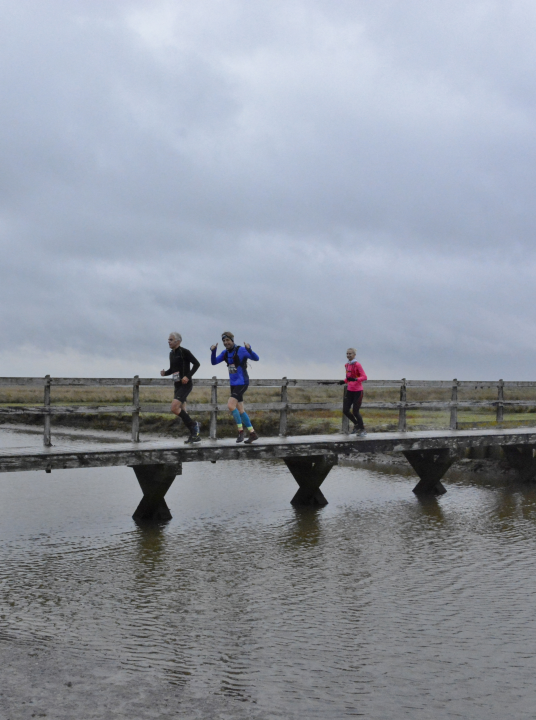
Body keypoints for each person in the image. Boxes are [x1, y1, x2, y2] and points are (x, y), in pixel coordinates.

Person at [211, 331, 260, 443]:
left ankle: (240, 432)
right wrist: (213, 351)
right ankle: (253, 433)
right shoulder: (224, 353)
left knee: (230, 405)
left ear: (232, 340)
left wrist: (249, 349)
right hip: (233, 384)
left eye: (227, 340)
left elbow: (256, 358)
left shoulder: (241, 350)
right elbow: (213, 362)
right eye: (224, 341)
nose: (225, 342)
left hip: (242, 382)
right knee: (241, 410)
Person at [160, 332, 201, 443]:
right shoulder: (171, 354)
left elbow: (197, 364)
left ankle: (194, 425)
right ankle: (194, 435)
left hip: (185, 385)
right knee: (183, 411)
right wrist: (165, 373)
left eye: (171, 339)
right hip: (177, 385)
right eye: (168, 339)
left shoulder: (184, 352)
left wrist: (188, 376)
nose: (169, 341)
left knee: (174, 408)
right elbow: (173, 369)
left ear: (178, 341)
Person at [340, 348, 367, 436]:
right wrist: (344, 381)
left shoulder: (357, 365)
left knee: (355, 411)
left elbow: (364, 377)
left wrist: (356, 379)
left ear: (354, 355)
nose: (348, 355)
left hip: (358, 391)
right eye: (347, 353)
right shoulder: (347, 365)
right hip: (350, 390)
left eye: (350, 354)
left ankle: (362, 429)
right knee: (345, 410)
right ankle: (356, 425)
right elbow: (348, 378)